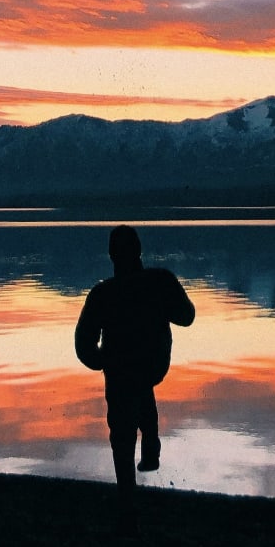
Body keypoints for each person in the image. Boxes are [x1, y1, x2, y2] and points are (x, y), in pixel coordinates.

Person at [75, 224, 195, 530]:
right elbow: (187, 316)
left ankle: (127, 497)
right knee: (139, 386)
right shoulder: (160, 280)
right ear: (139, 251)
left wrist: (99, 360)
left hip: (122, 369)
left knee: (121, 431)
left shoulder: (103, 293)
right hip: (152, 364)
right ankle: (151, 441)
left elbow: (83, 343)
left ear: (111, 255)